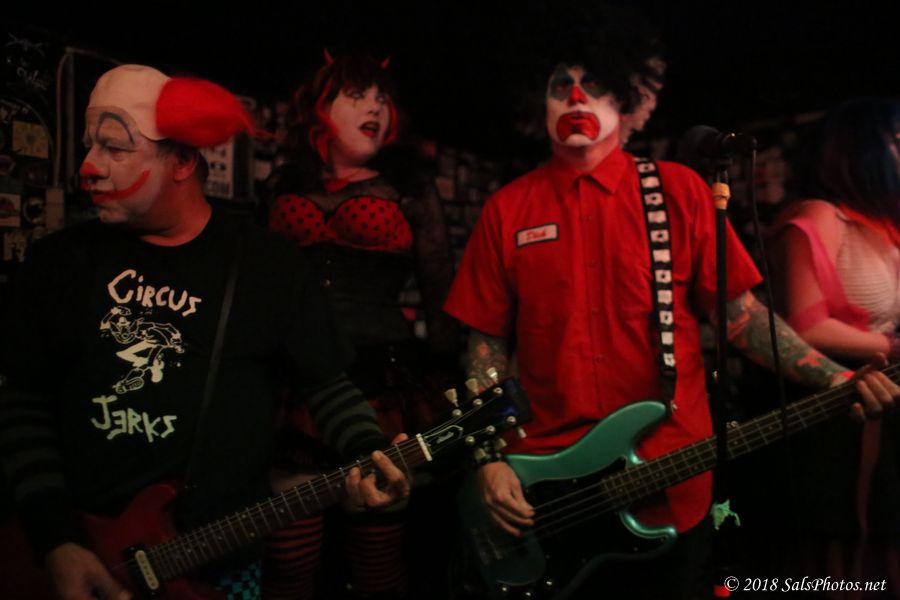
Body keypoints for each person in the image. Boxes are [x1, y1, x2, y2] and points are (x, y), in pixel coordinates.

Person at [442, 17, 900, 600]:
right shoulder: (505, 210)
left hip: (670, 474)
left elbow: (742, 319)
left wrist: (838, 379)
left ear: (633, 99)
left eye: (596, 85)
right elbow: (484, 345)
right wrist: (486, 457)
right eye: (561, 85)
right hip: (541, 485)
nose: (577, 97)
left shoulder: (679, 191)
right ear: (538, 100)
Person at [0, 64, 410, 600]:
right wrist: (56, 541)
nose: (89, 167)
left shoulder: (267, 264)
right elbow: (23, 404)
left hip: (216, 565)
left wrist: (369, 451)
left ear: (183, 161)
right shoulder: (59, 261)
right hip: (76, 558)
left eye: (115, 147)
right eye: (89, 146)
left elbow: (325, 384)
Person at [262, 54, 457, 600]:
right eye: (357, 95)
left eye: (382, 98)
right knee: (288, 555)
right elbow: (257, 284)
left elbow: (440, 289)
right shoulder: (283, 182)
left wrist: (450, 378)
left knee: (377, 547)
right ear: (319, 109)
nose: (375, 107)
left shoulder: (409, 188)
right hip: (294, 379)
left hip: (381, 376)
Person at [769, 97, 900, 594]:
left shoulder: (879, 222)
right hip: (834, 409)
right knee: (845, 555)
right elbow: (806, 328)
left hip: (880, 402)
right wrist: (891, 344)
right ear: (860, 149)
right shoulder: (819, 215)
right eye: (897, 141)